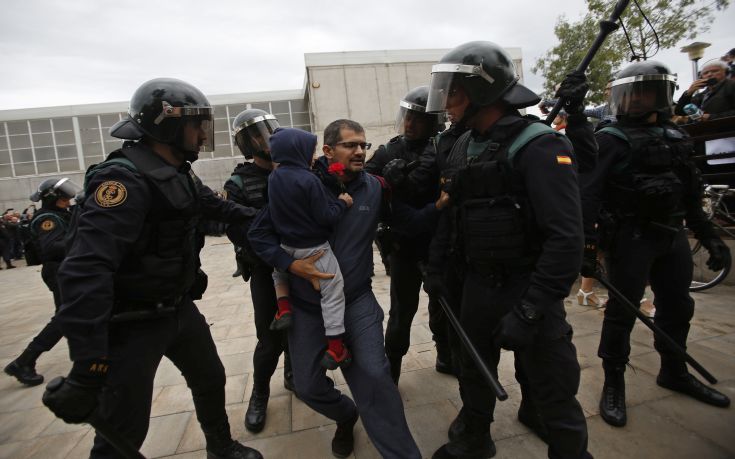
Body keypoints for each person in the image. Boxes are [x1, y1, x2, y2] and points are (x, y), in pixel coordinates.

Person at [42, 77, 263, 459]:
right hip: (131, 323)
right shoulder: (122, 180)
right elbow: (85, 270)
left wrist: (268, 218)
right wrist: (87, 365)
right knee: (125, 426)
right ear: (169, 124)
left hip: (176, 307)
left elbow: (215, 206)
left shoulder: (176, 169)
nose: (202, 135)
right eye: (197, 125)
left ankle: (221, 447)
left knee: (209, 377)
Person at [424, 41, 591, 459]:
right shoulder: (465, 145)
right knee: (473, 370)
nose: (446, 103)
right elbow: (452, 213)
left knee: (553, 388)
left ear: (482, 91)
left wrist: (532, 309)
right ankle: (475, 437)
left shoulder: (539, 145)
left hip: (527, 287)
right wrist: (438, 267)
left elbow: (566, 239)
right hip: (478, 284)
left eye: (454, 92)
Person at [249, 119, 426, 459]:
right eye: (350, 145)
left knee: (375, 376)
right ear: (328, 150)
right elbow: (260, 234)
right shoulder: (299, 186)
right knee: (308, 386)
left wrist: (440, 210)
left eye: (363, 144)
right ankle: (346, 416)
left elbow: (409, 221)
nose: (360, 150)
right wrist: (289, 265)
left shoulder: (375, 188)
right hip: (306, 307)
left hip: (356, 300)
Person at [580, 60, 731, 428]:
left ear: (661, 95)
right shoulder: (610, 139)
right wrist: (587, 249)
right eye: (629, 94)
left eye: (644, 93)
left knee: (678, 307)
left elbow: (691, 195)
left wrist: (709, 237)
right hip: (630, 238)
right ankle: (614, 381)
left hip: (672, 236)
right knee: (622, 312)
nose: (635, 101)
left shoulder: (676, 138)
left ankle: (674, 371)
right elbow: (588, 197)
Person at [364, 86, 452, 382]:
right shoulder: (388, 150)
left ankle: (445, 354)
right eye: (407, 117)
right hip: (403, 243)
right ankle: (393, 369)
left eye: (418, 118)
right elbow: (365, 187)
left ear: (433, 121)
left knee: (442, 306)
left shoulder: (444, 149)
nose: (410, 124)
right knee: (401, 312)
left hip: (437, 244)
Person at [223, 108, 294, 434]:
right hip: (266, 271)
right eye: (256, 135)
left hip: (303, 267)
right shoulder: (238, 183)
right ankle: (260, 393)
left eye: (269, 130)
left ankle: (296, 375)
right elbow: (241, 233)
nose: (266, 138)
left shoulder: (294, 169)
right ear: (245, 144)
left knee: (302, 328)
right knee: (270, 338)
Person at [267, 126, 355, 375]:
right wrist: (342, 203)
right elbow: (326, 217)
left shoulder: (275, 177)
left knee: (279, 273)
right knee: (333, 291)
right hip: (314, 250)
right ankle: (336, 346)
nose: (313, 156)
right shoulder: (308, 180)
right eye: (310, 150)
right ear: (298, 151)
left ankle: (283, 307)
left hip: (286, 246)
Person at [4, 178, 80, 386]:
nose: (68, 199)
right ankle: (24, 361)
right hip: (59, 271)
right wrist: (82, 240)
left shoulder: (61, 214)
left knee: (73, 316)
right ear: (52, 197)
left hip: (67, 270)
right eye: (64, 196)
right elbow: (53, 247)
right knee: (66, 317)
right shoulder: (47, 218)